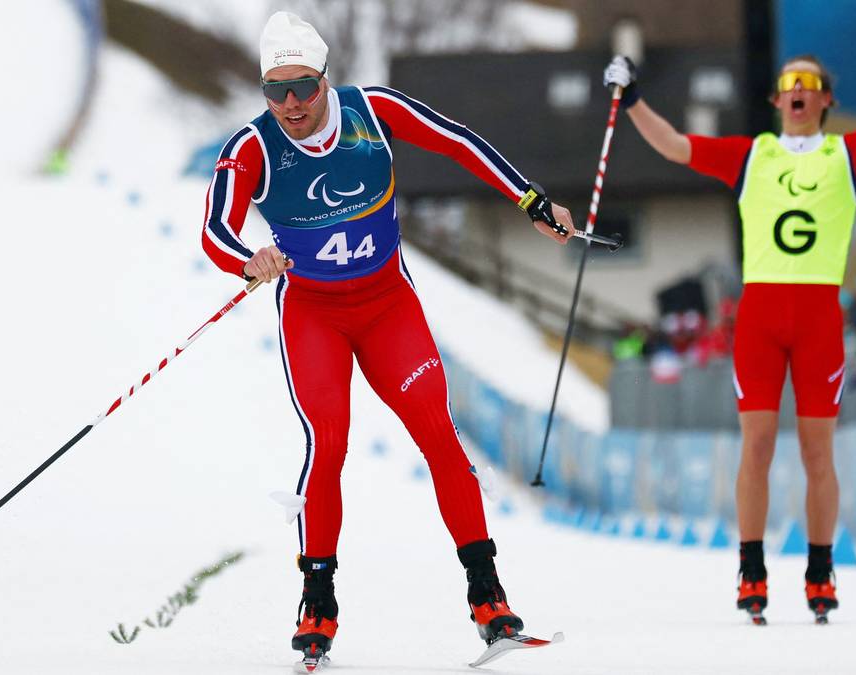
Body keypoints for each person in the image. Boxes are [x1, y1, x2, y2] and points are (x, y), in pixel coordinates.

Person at [200, 11, 577, 660]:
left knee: (438, 432)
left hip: (386, 308)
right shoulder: (252, 147)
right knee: (328, 443)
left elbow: (458, 141)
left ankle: (488, 596)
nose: (291, 104)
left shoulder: (371, 111)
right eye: (276, 91)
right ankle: (318, 602)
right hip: (314, 314)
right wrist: (247, 259)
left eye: (303, 87)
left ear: (325, 80)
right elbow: (215, 228)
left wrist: (530, 200)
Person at [604, 19, 856, 623]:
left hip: (818, 318)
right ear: (776, 99)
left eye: (808, 84)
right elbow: (676, 146)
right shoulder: (754, 155)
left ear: (825, 100)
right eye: (789, 83)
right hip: (762, 317)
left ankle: (820, 570)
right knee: (758, 446)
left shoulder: (845, 154)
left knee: (818, 453)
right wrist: (631, 98)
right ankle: (751, 570)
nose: (797, 91)